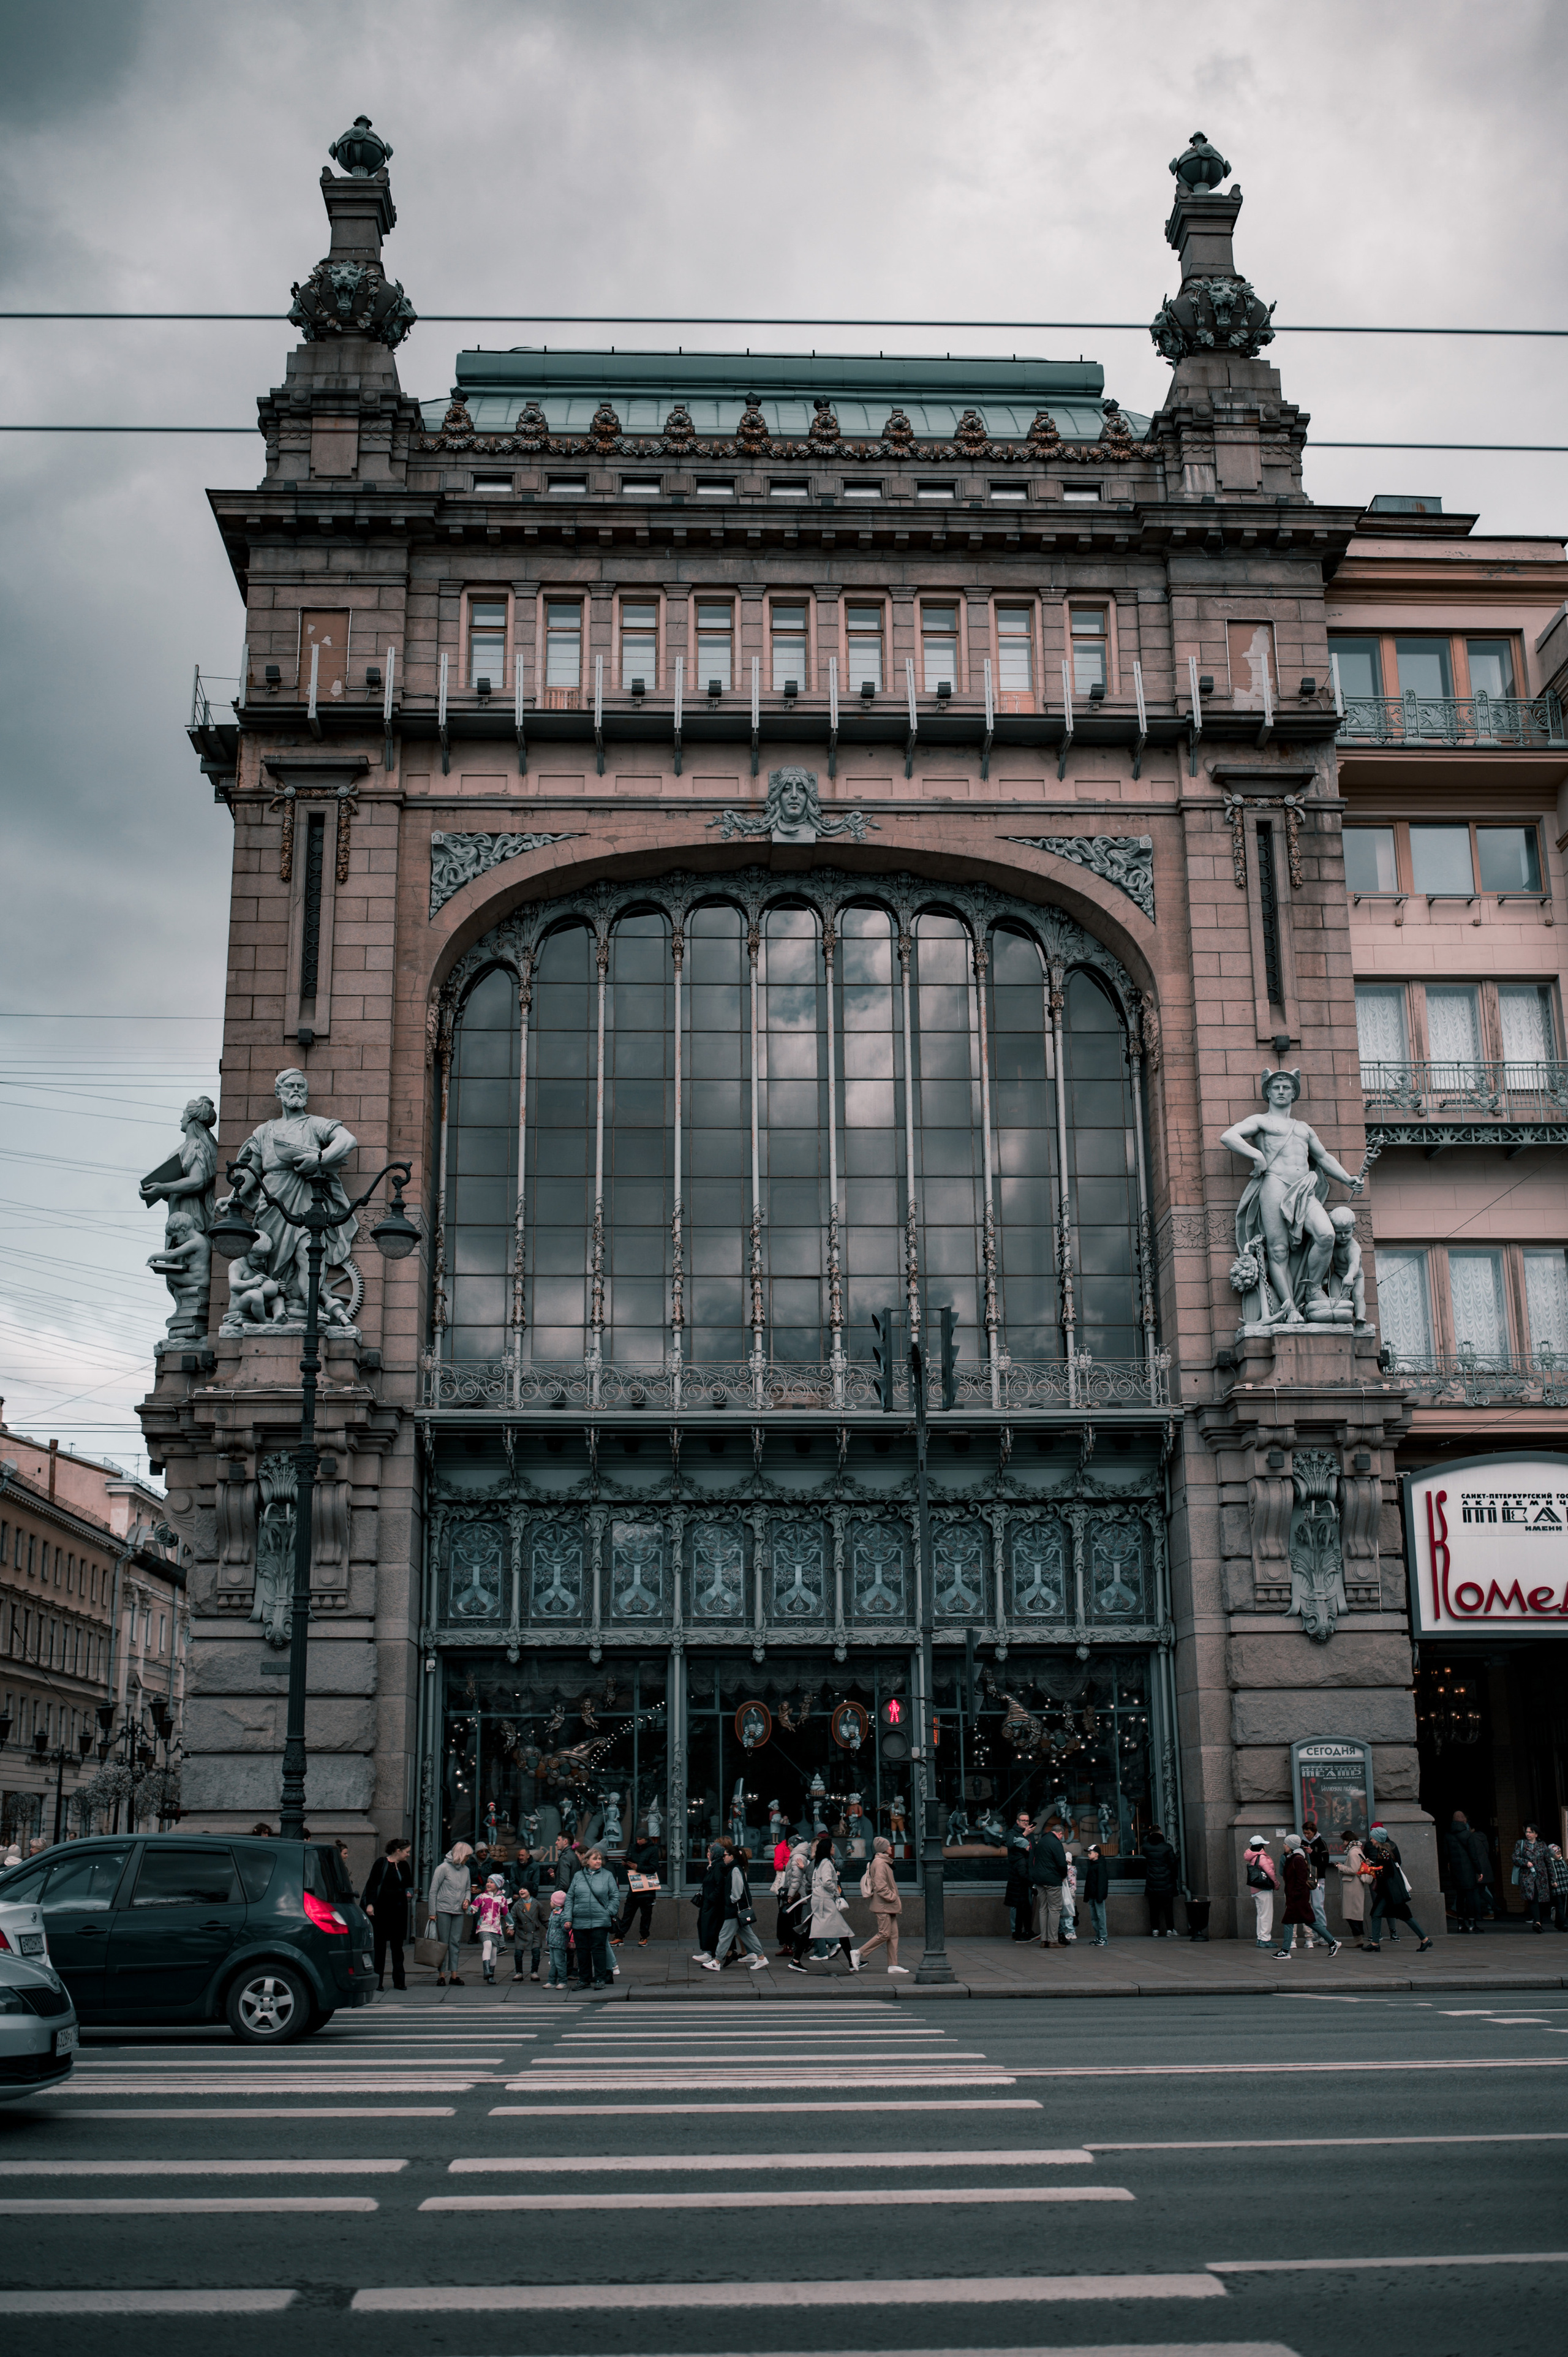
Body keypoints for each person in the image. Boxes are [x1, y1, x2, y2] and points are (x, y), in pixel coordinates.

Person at [1363, 1824, 1433, 1952]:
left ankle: (1425, 1940)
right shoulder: (1385, 1852)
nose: (1371, 1840)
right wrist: (1373, 1865)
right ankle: (1375, 1944)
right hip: (1389, 1892)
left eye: (1373, 1838)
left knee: (1404, 1916)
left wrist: (1371, 1869)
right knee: (1379, 1914)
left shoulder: (1384, 1853)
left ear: (1378, 1839)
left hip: (1390, 1893)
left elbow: (1386, 1873)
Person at [1275, 1831, 1339, 1958]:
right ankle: (1333, 1942)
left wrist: (1294, 1894)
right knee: (1311, 1922)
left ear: (1291, 1846)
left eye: (1286, 1844)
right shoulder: (1294, 1858)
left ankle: (1285, 1951)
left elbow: (1301, 1879)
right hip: (1298, 1897)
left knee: (1289, 1922)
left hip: (1297, 1897)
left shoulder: (1297, 1859)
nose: (1284, 1846)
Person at [360, 1837, 413, 1989]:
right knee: (380, 1947)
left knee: (398, 1948)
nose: (408, 1855)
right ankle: (378, 1981)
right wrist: (370, 1904)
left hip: (399, 1912)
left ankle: (399, 1981)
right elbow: (372, 1884)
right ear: (398, 1851)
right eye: (407, 1852)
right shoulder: (381, 1863)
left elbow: (409, 1884)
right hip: (382, 1911)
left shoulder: (404, 1866)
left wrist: (409, 1892)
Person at [707, 1848, 771, 1973]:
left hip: (734, 1909)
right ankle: (761, 1957)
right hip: (738, 1909)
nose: (723, 1857)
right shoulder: (735, 1868)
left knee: (725, 1935)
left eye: (725, 1855)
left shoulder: (735, 1870)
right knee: (747, 1934)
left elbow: (737, 1890)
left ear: (732, 1856)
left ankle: (717, 1961)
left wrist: (732, 1900)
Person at [564, 1846, 619, 1988]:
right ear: (586, 1861)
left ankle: (600, 1979)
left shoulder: (607, 1875)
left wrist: (609, 1911)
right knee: (582, 1951)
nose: (599, 1861)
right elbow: (570, 1898)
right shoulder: (578, 1876)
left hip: (600, 1920)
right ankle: (584, 1979)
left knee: (599, 1950)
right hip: (580, 1921)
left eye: (600, 1859)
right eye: (595, 1859)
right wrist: (568, 1918)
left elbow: (615, 1896)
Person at [852, 1835, 906, 1973]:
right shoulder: (880, 1863)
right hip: (883, 1904)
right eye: (888, 1846)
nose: (890, 1848)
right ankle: (858, 1952)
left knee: (893, 1935)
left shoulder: (882, 1862)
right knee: (884, 1934)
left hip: (886, 1905)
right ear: (883, 1849)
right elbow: (881, 1887)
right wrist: (893, 1897)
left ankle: (893, 1965)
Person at [809, 1832, 859, 1972]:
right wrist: (836, 1892)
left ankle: (851, 1962)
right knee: (841, 1931)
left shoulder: (822, 1862)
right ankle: (851, 1962)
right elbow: (827, 1882)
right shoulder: (826, 1863)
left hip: (822, 1899)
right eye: (832, 1847)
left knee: (814, 1930)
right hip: (825, 1900)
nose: (834, 1849)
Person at [428, 1841, 473, 1986]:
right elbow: (433, 1891)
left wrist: (467, 1900)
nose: (468, 1858)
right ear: (461, 1854)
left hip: (459, 1910)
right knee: (443, 1943)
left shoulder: (466, 1870)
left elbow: (467, 1889)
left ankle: (454, 1975)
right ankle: (441, 1975)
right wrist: (432, 1912)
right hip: (443, 1909)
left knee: (455, 1943)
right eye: (467, 1856)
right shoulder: (443, 1868)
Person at [612, 1826, 662, 1948]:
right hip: (634, 1886)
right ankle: (620, 1936)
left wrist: (637, 1867)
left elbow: (654, 1868)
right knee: (628, 1913)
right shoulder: (634, 1848)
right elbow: (633, 1864)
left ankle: (643, 1937)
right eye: (637, 1839)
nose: (638, 1841)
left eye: (640, 1839)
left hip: (647, 1888)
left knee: (645, 1915)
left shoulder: (653, 1850)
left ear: (646, 1839)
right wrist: (627, 1865)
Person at [1446, 1810, 1491, 1933]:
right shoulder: (1467, 1835)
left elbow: (1447, 1855)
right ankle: (1472, 1924)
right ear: (1464, 1821)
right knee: (1471, 1898)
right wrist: (1479, 1870)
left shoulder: (1449, 1836)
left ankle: (1461, 1924)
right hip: (1469, 1871)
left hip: (1456, 1871)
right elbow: (1473, 1855)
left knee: (1460, 1897)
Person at [1029, 1815, 1069, 1948]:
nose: (1062, 1838)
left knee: (1043, 1909)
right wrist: (1063, 1876)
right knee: (1054, 1909)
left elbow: (1034, 1858)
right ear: (1060, 1833)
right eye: (1062, 1836)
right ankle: (1053, 1940)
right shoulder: (1056, 1843)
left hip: (1039, 1879)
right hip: (1052, 1880)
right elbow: (1062, 1864)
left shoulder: (1042, 1841)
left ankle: (1044, 1940)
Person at [505, 1845, 543, 1979]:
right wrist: (518, 1892)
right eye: (519, 1855)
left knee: (536, 1952)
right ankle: (519, 1972)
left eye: (522, 1855)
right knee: (518, 1953)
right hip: (522, 1931)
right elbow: (513, 1917)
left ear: (528, 1855)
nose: (520, 1857)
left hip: (534, 1931)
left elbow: (543, 1918)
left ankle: (534, 1972)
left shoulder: (537, 1904)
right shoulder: (515, 1866)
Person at [691, 1839, 728, 1966]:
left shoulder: (718, 1867)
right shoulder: (715, 1865)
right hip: (710, 1903)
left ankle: (711, 1954)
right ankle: (710, 1953)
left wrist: (711, 1898)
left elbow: (719, 1886)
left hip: (712, 1904)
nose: (708, 1854)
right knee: (706, 1926)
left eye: (710, 1852)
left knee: (710, 1927)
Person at [782, 1837, 815, 1973]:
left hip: (802, 1896)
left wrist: (790, 1894)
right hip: (803, 1895)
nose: (788, 1847)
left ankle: (802, 1949)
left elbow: (796, 1878)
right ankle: (799, 1953)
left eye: (789, 1845)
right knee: (805, 1925)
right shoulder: (801, 1856)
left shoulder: (797, 1857)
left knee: (803, 1925)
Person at [1140, 1826, 1178, 1937]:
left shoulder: (1146, 1847)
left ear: (1150, 1834)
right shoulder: (1167, 1847)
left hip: (1152, 1882)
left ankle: (1155, 1929)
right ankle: (1170, 1929)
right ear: (1161, 1833)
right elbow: (1173, 1865)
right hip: (1166, 1882)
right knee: (1168, 1908)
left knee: (1153, 1908)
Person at [1513, 1825, 1552, 1932]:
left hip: (1541, 1876)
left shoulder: (1542, 1845)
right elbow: (1515, 1857)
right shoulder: (1521, 1844)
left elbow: (1548, 1862)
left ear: (1536, 1834)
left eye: (1531, 1832)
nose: (1528, 1834)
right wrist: (1525, 1862)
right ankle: (1537, 1922)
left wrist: (1553, 1878)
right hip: (1528, 1876)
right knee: (1533, 1898)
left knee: (1541, 1899)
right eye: (1527, 1832)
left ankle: (1539, 1921)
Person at [474, 1874, 511, 1985]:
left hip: (496, 1928)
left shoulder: (502, 1899)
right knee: (488, 1945)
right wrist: (467, 1908)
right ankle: (486, 1971)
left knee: (494, 1952)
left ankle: (491, 1976)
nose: (488, 1884)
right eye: (488, 1882)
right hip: (483, 1926)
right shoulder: (482, 1897)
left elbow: (506, 1914)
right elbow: (473, 1908)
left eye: (491, 1882)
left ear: (497, 1885)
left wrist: (510, 1926)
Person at [1301, 1817, 1333, 1945]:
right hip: (1306, 1878)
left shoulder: (1321, 1843)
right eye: (1305, 1833)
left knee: (1318, 1906)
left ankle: (1323, 1934)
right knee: (1309, 1907)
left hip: (1318, 1878)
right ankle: (1314, 1934)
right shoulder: (1302, 1843)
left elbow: (1325, 1861)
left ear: (1314, 1832)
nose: (1306, 1835)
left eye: (1308, 1833)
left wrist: (1313, 1853)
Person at [1335, 1830, 1368, 1951]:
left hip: (1352, 1886)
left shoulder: (1353, 1852)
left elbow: (1354, 1870)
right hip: (1355, 1886)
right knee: (1354, 1914)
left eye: (1344, 1840)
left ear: (1349, 1840)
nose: (1343, 1843)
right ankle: (1358, 1939)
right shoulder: (1357, 1850)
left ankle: (1358, 1940)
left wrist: (1340, 1867)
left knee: (1352, 1914)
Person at [1245, 1834, 1279, 1950]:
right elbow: (1269, 1872)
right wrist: (1276, 1883)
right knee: (1267, 1915)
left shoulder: (1253, 1857)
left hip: (1256, 1889)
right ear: (1261, 1846)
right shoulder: (1262, 1857)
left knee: (1261, 1914)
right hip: (1264, 1889)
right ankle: (1265, 1939)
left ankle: (1260, 1937)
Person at [1005, 1810, 1034, 1941]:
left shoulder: (1031, 1834)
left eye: (1027, 1821)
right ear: (1018, 1821)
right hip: (1017, 1874)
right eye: (1023, 1821)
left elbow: (1032, 1850)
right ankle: (1016, 1931)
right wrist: (1024, 1835)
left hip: (1028, 1872)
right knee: (1017, 1905)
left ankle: (1027, 1930)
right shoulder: (1012, 1833)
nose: (1026, 1823)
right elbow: (1010, 1845)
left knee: (1027, 1904)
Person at [1080, 1841, 1110, 1947]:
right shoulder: (1093, 1865)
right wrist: (1087, 1896)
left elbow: (1102, 1882)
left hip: (1098, 1896)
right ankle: (1099, 1937)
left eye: (1090, 1853)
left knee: (1100, 1917)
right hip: (1092, 1896)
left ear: (1096, 1854)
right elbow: (1089, 1882)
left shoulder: (1100, 1865)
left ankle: (1103, 1937)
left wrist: (1100, 1896)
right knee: (1095, 1918)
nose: (1088, 1855)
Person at [545, 1888, 572, 1989]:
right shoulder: (553, 1912)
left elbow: (565, 1928)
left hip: (559, 1942)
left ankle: (562, 1981)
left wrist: (566, 1926)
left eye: (552, 1901)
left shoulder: (562, 1914)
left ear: (556, 1903)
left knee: (560, 1963)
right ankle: (551, 1981)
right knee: (553, 1963)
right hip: (552, 1941)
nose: (550, 1902)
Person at [1547, 1844, 1568, 1933]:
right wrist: (1553, 1881)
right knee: (1560, 1906)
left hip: (1565, 1886)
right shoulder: (1550, 1863)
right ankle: (1563, 1924)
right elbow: (1551, 1874)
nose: (1560, 1855)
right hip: (1557, 1887)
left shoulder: (1562, 1861)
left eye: (1560, 1853)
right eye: (1558, 1854)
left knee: (1564, 1906)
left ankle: (1559, 1923)